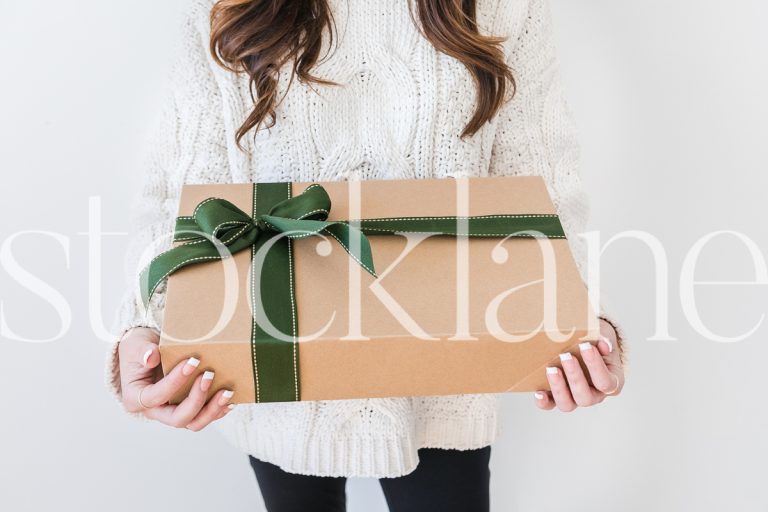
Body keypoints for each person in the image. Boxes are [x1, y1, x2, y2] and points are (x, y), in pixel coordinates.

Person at [107, 0, 625, 510]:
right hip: (274, 368)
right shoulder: (222, 9)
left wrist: (582, 317)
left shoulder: (506, 8)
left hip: (449, 374)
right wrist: (146, 323)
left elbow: (544, 181)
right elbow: (178, 191)